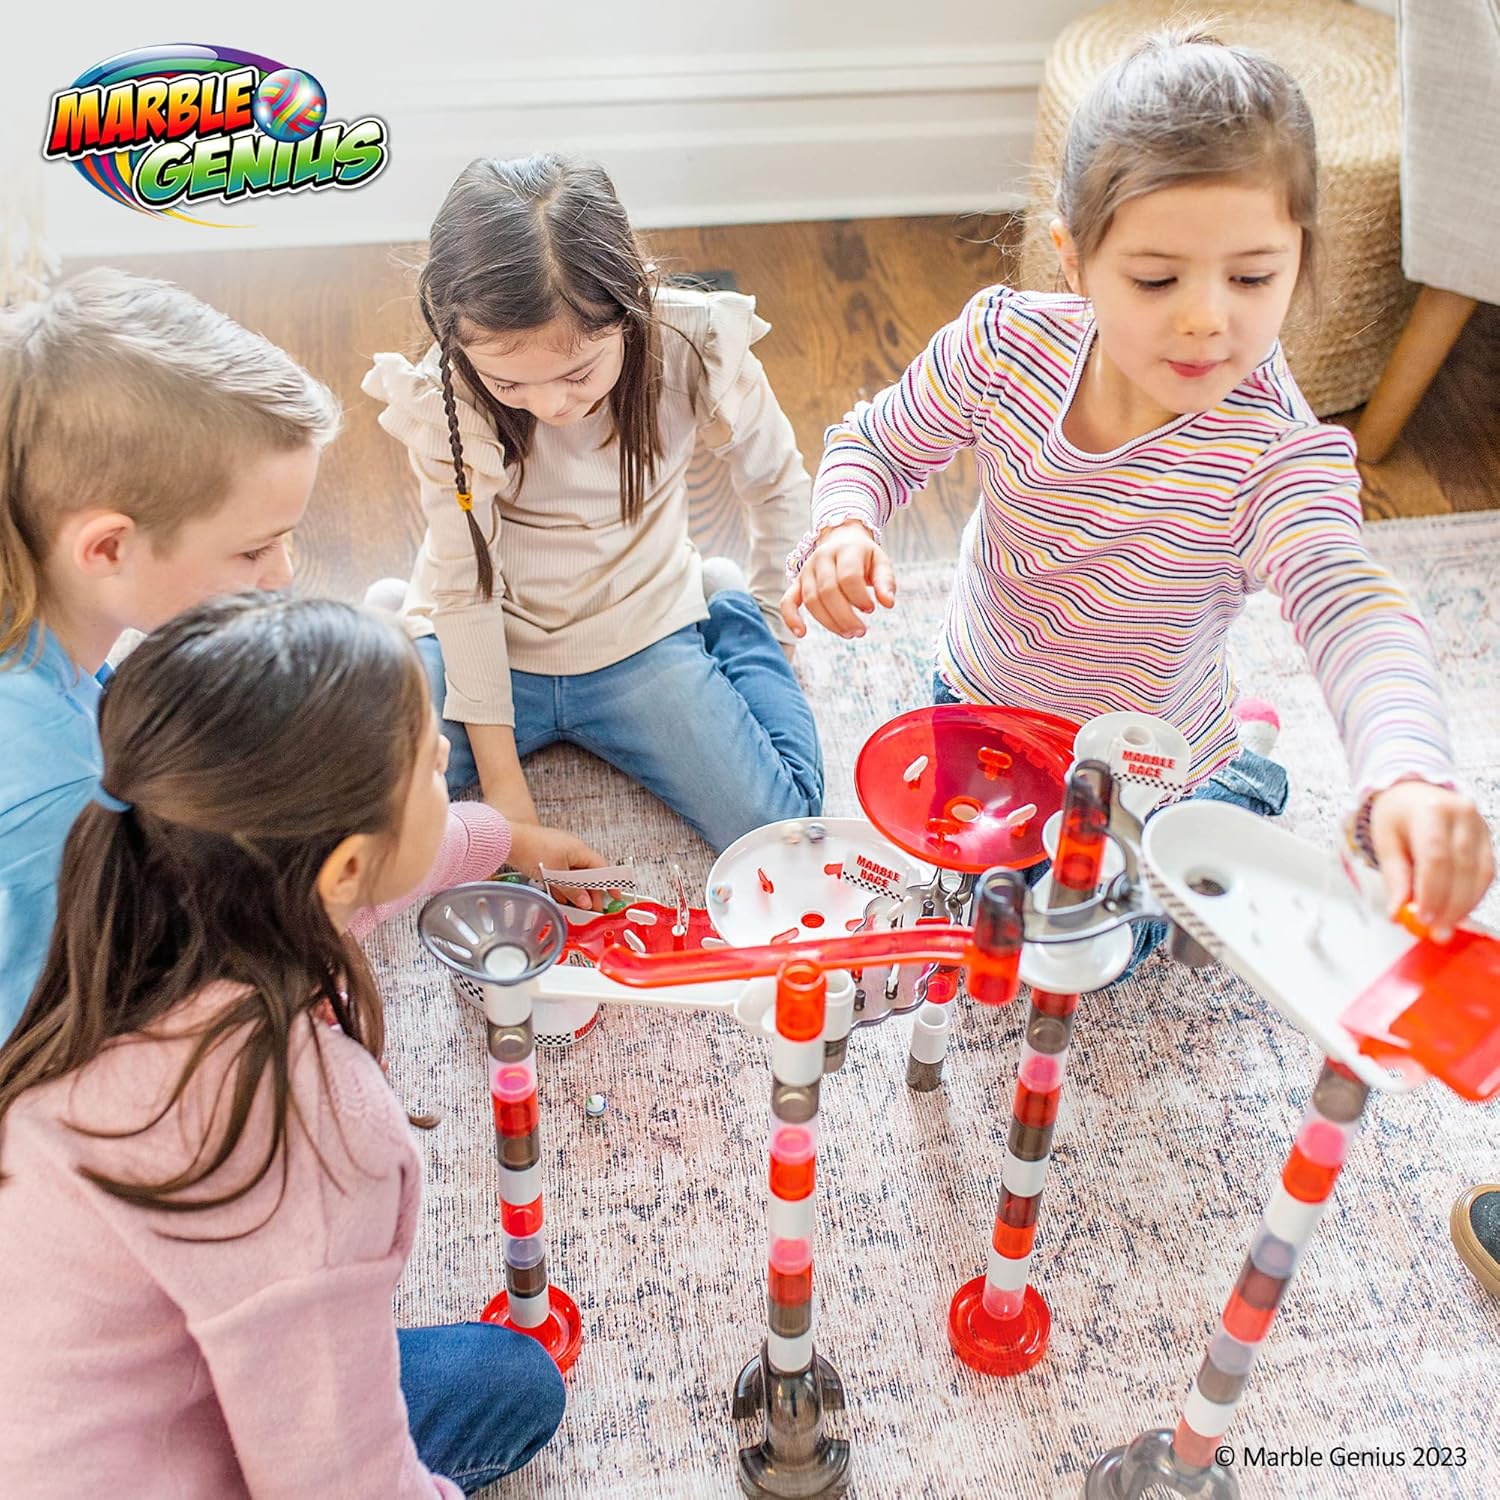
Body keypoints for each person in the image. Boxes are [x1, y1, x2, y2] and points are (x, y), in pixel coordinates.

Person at [780, 29, 1493, 959]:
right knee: (972, 887)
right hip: (981, 695)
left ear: (1301, 259)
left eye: (1253, 276)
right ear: (1073, 260)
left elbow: (1353, 605)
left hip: (1145, 754)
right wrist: (845, 522)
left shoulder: (1275, 453)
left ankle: (1233, 778)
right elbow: (874, 443)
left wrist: (1408, 771)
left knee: (1078, 951)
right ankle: (1230, 768)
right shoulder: (1006, 348)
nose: (1207, 317)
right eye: (1157, 279)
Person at [0, 594, 564, 1497]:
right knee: (518, 1386)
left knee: (503, 1381)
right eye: (430, 766)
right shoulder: (302, 1123)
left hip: (70, 1417)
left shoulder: (137, 912)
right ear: (340, 865)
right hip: (166, 1462)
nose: (448, 761)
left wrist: (498, 839)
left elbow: (348, 894)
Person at [363, 154, 823, 904]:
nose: (548, 405)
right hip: (481, 634)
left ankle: (727, 610)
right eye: (509, 383)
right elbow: (467, 589)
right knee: (358, 817)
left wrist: (772, 620)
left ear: (630, 301)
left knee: (780, 823)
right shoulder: (442, 395)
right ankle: (391, 636)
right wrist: (507, 808)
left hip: (638, 635)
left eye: (577, 373)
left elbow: (776, 485)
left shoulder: (694, 347)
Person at [0, 268, 338, 1038]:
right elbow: (71, 1030)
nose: (281, 574)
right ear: (108, 547)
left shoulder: (46, 628)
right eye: (254, 549)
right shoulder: (61, 795)